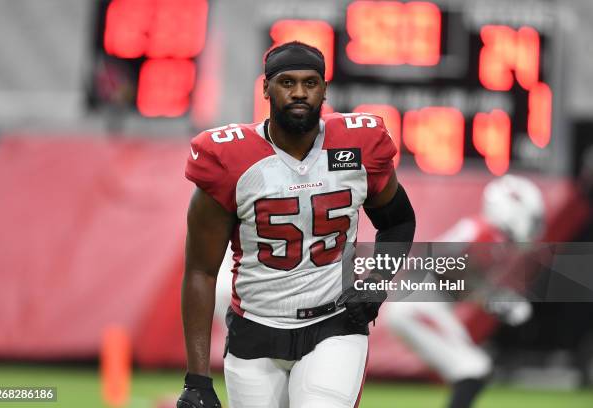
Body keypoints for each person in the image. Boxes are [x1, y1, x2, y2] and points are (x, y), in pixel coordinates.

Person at [177, 41, 416, 408]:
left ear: (324, 88)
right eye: (287, 82)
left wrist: (377, 285)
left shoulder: (357, 146)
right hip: (255, 329)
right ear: (266, 88)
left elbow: (399, 221)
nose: (300, 92)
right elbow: (200, 271)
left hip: (333, 325)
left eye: (311, 82)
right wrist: (196, 379)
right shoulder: (227, 159)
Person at [385, 175, 545, 408]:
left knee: (476, 367)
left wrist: (491, 297)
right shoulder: (485, 233)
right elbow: (435, 262)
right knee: (473, 366)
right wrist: (492, 298)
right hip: (416, 306)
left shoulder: (491, 238)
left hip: (423, 304)